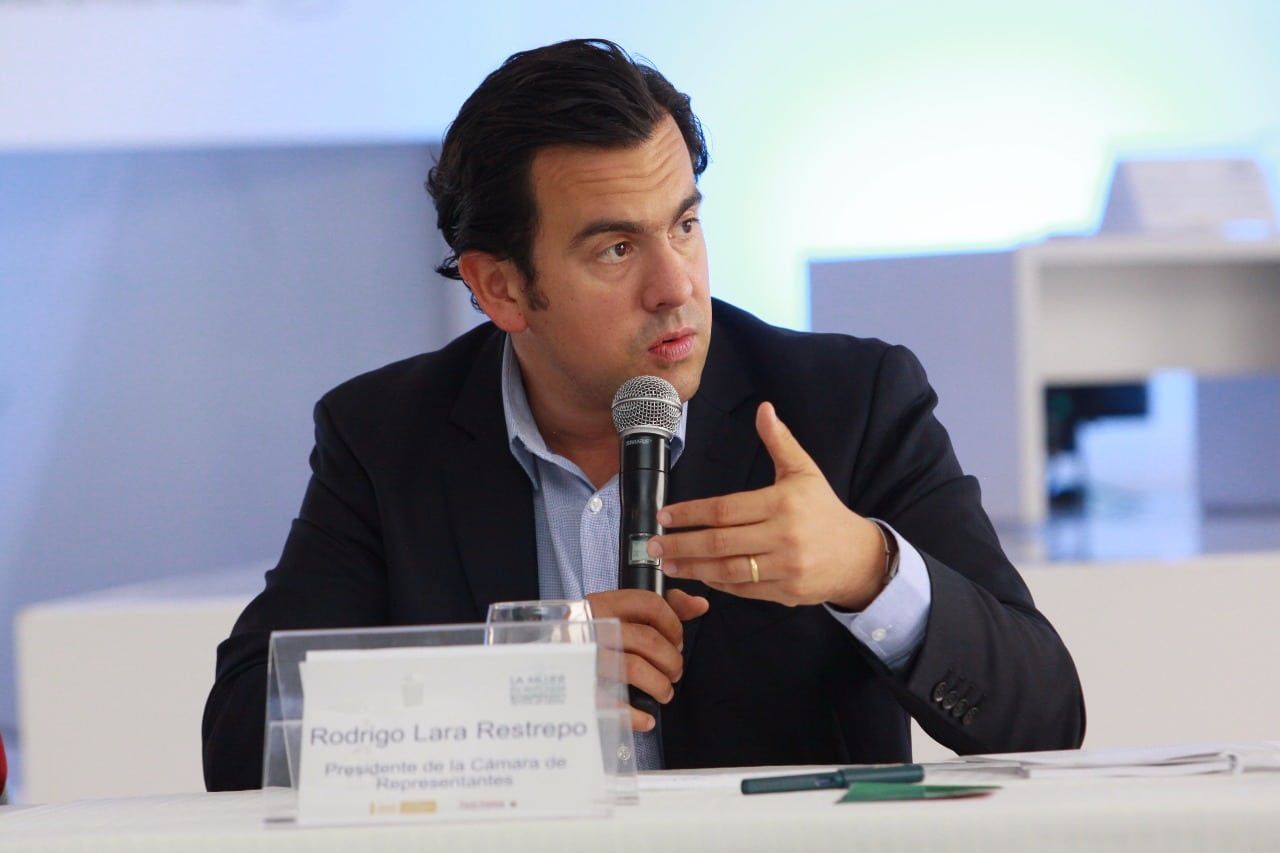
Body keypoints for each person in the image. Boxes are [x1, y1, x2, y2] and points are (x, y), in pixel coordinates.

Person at [202, 38, 1084, 791]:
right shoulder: (386, 435)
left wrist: (867, 566)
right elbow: (243, 740)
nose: (675, 286)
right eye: (617, 248)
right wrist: (517, 682)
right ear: (499, 287)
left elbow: (1046, 715)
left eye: (685, 226)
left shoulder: (847, 401)